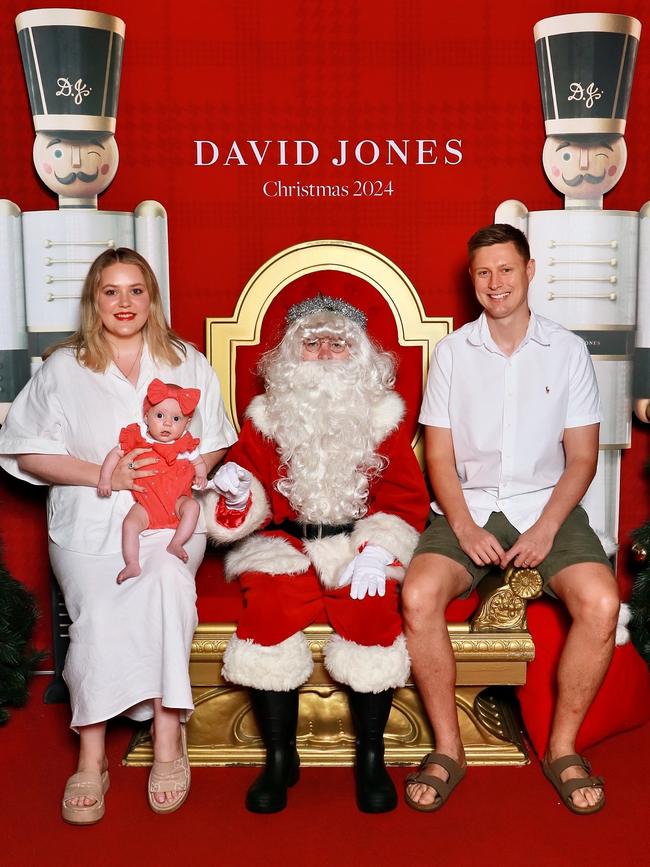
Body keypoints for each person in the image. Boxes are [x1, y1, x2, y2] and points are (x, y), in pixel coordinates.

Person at [0, 247, 236, 822]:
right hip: (87, 519)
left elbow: (218, 436)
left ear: (152, 296)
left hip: (171, 517)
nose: (124, 303)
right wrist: (106, 475)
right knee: (99, 617)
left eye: (136, 290)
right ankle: (91, 755)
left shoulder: (185, 361)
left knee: (167, 588)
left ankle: (167, 737)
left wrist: (197, 466)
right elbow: (25, 450)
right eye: (111, 291)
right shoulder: (63, 367)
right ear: (94, 300)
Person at [401, 224, 619, 816]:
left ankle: (562, 748)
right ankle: (449, 749)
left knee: (601, 603)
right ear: (471, 281)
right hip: (469, 504)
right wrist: (466, 526)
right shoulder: (451, 353)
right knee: (419, 595)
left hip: (546, 505)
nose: (495, 282)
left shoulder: (568, 350)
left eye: (505, 269)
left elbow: (582, 457)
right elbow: (439, 455)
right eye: (483, 272)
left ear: (528, 272)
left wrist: (548, 528)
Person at [203, 294, 429, 814]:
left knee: (372, 611)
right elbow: (246, 484)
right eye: (312, 343)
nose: (325, 352)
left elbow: (404, 498)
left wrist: (376, 552)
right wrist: (239, 496)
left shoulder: (384, 420)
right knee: (268, 611)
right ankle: (279, 757)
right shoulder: (267, 419)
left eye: (338, 343)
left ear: (360, 357)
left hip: (359, 540)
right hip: (285, 540)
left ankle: (370, 757)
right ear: (291, 355)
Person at [98, 378, 208, 583]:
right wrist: (106, 479)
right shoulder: (137, 437)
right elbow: (114, 455)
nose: (167, 423)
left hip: (177, 502)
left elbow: (199, 462)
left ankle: (177, 542)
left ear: (187, 423)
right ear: (146, 417)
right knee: (130, 524)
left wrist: (201, 475)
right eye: (159, 415)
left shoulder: (185, 445)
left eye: (176, 419)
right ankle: (132, 563)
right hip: (147, 506)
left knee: (192, 507)